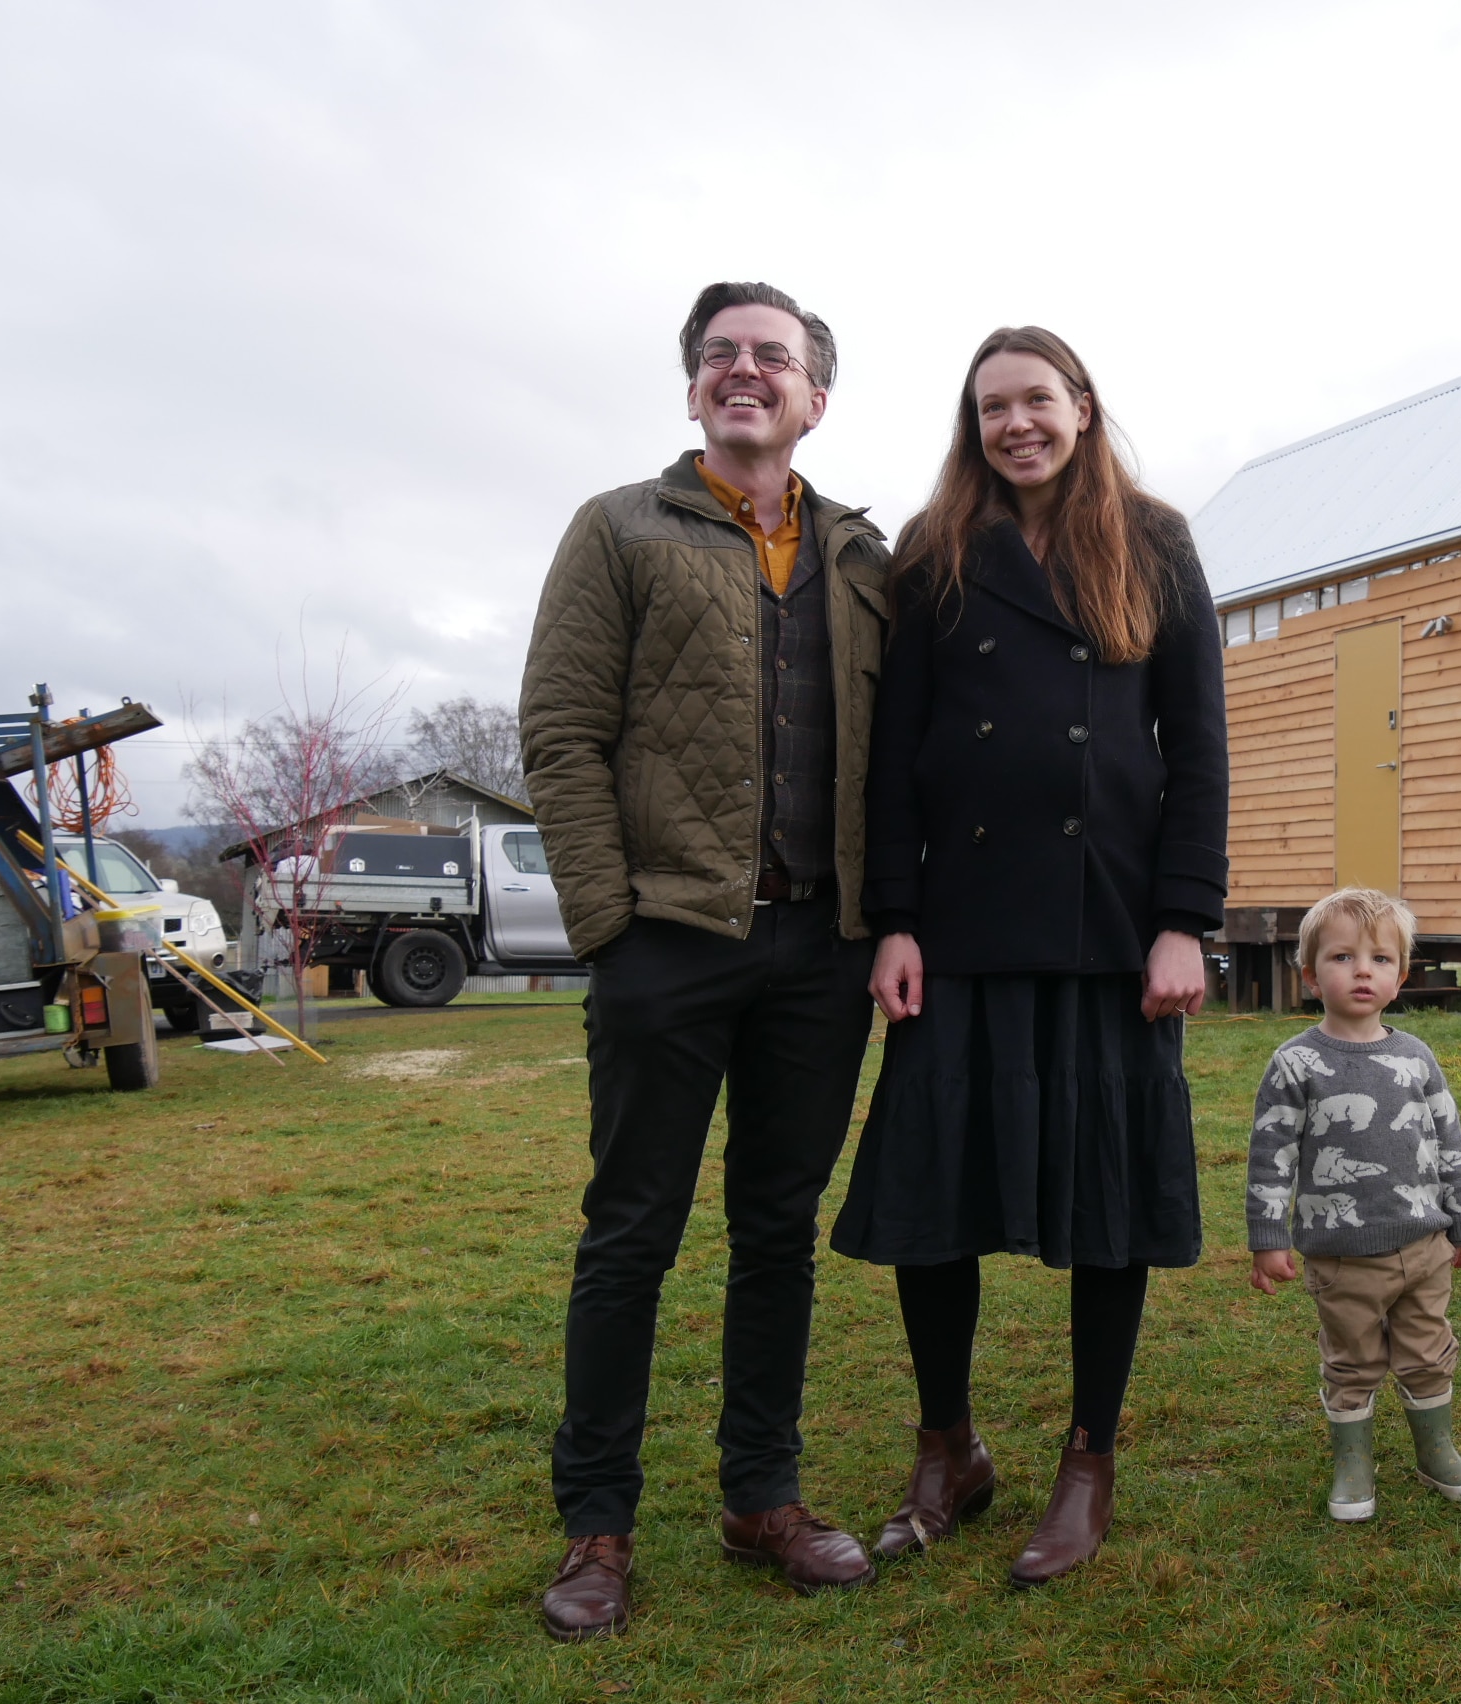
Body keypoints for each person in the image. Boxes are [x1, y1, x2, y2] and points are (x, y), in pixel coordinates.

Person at [519, 281, 894, 1641]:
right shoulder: (617, 528)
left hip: (819, 953)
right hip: (665, 946)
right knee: (631, 1235)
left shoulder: (862, 558)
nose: (747, 373)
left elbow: (894, 751)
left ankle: (761, 1496)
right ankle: (596, 1528)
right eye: (722, 357)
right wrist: (609, 925)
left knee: (776, 1235)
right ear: (692, 391)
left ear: (813, 397)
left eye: (773, 359)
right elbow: (559, 732)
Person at [830, 325, 1229, 1588]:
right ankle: (946, 1446)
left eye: (1035, 402)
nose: (1016, 425)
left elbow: (1200, 744)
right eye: (992, 406)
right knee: (933, 1197)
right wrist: (894, 915)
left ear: (1082, 408)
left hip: (1110, 925)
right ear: (972, 423)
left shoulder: (1153, 538)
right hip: (962, 924)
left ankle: (1087, 1462)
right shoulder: (933, 550)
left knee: (1107, 1201)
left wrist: (1184, 918)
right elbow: (894, 753)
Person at [1245, 888, 1461, 1522]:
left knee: (1428, 1349)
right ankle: (1352, 1463)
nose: (1362, 970)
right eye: (1343, 957)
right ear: (1309, 974)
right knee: (1352, 1359)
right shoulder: (1296, 1063)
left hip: (1426, 1246)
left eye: (1380, 959)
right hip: (1343, 1254)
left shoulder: (1416, 1058)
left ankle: (1436, 1451)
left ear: (1401, 976)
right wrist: (1268, 1237)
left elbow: (1448, 1143)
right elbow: (1272, 1156)